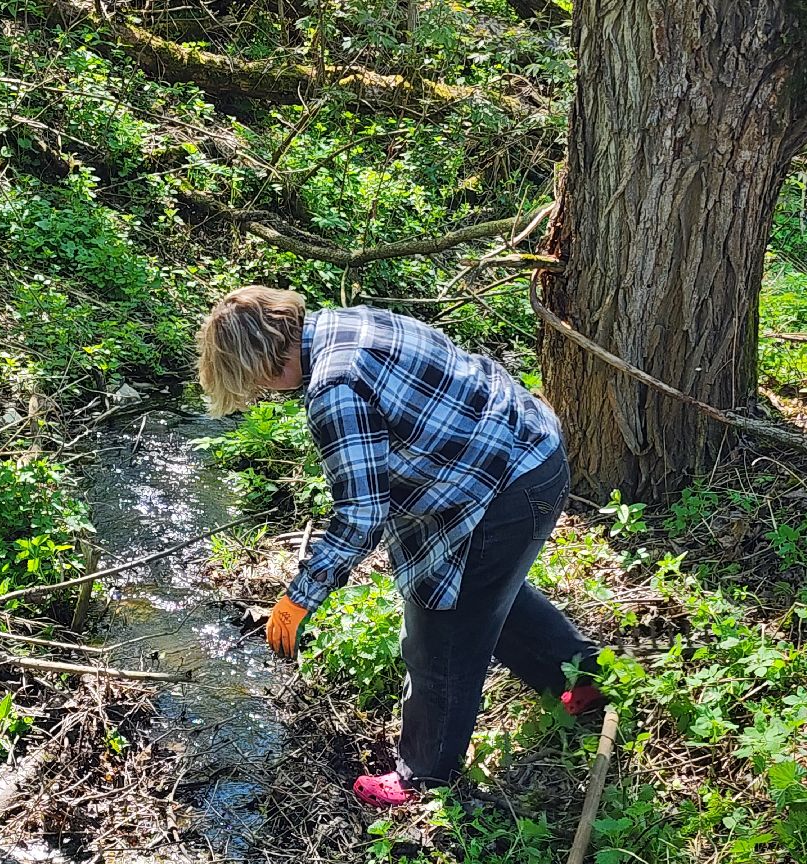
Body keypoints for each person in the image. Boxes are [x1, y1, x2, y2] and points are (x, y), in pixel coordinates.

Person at [196, 285, 605, 808]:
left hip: (500, 485)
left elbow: (361, 515)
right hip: (530, 446)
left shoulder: (334, 388)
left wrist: (299, 598)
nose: (263, 394)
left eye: (254, 385)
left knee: (442, 631)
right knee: (486, 594)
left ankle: (422, 776)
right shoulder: (347, 321)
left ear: (264, 364)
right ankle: (584, 677)